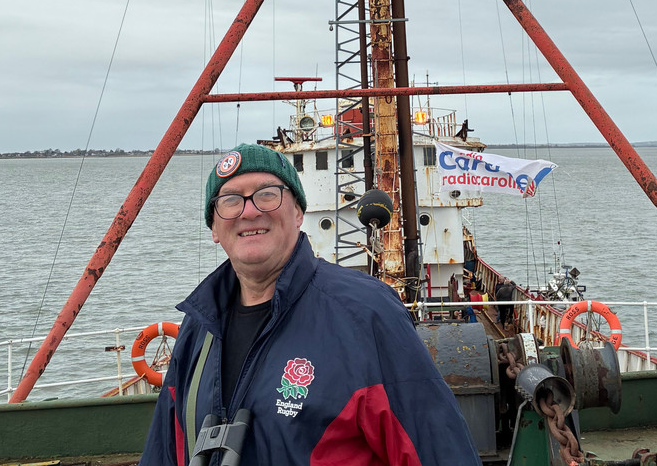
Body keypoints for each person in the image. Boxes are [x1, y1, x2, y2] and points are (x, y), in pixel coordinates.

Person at [140, 143, 480, 466]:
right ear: (214, 226)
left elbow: (437, 448)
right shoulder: (198, 325)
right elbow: (164, 451)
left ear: (299, 211)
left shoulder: (365, 313)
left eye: (267, 195)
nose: (250, 210)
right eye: (230, 200)